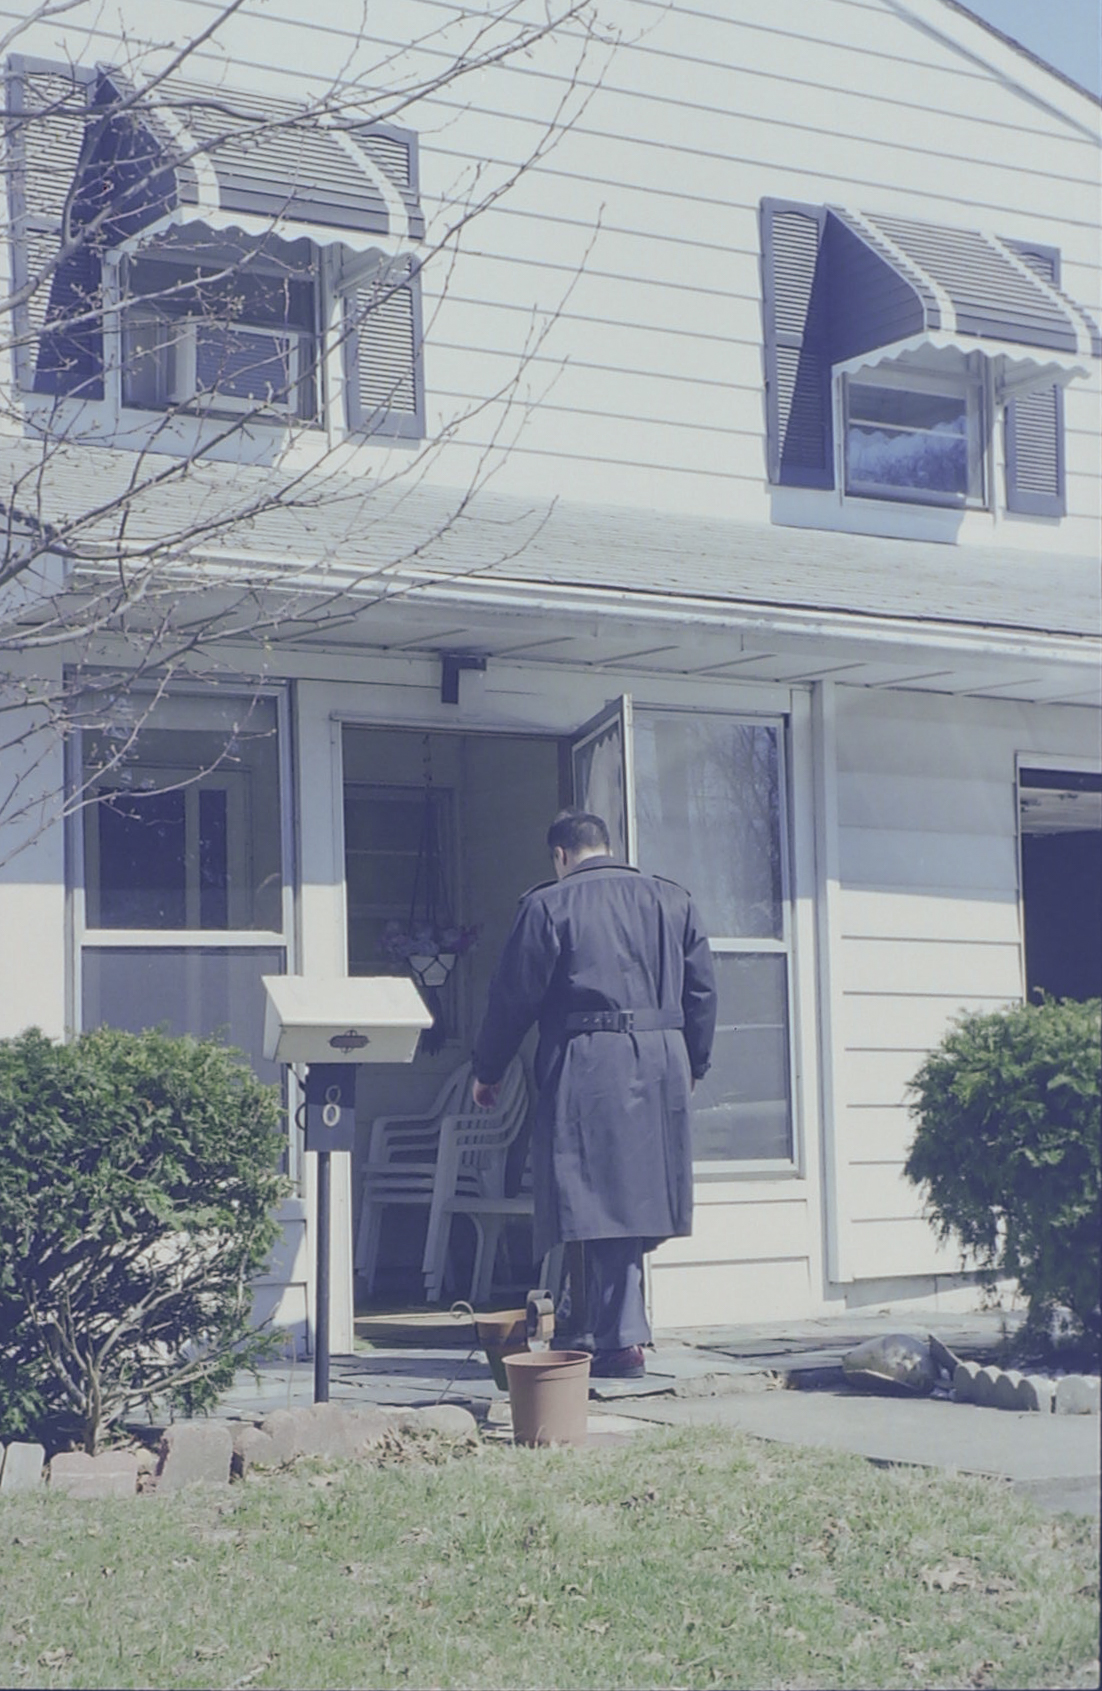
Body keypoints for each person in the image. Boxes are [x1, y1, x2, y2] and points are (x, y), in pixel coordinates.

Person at [471, 808, 717, 1378]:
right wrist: (695, 1061)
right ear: (606, 846)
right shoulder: (672, 900)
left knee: (595, 1195)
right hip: (662, 1058)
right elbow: (702, 990)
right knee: (628, 1197)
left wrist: (490, 1068)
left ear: (560, 855)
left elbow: (514, 996)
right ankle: (598, 1326)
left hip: (588, 1058)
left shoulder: (548, 905)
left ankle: (620, 1339)